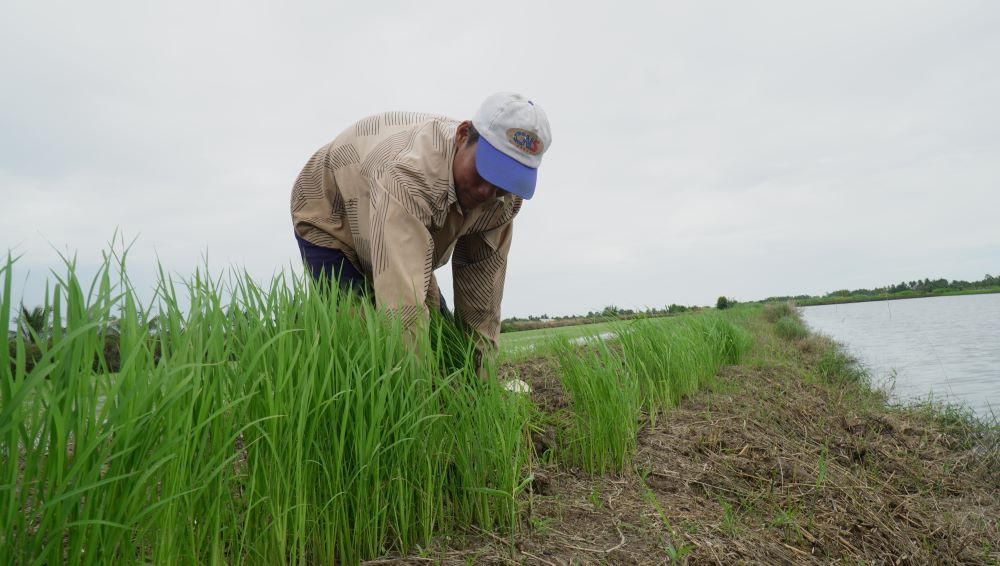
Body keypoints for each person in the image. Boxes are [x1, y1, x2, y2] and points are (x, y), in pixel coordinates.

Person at [289, 92, 551, 369]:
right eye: (485, 172)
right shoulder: (409, 175)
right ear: (462, 136)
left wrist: (481, 383)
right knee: (361, 332)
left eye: (504, 182)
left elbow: (482, 298)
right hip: (330, 208)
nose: (488, 191)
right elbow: (403, 308)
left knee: (442, 336)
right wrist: (418, 402)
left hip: (398, 203)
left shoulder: (503, 200)